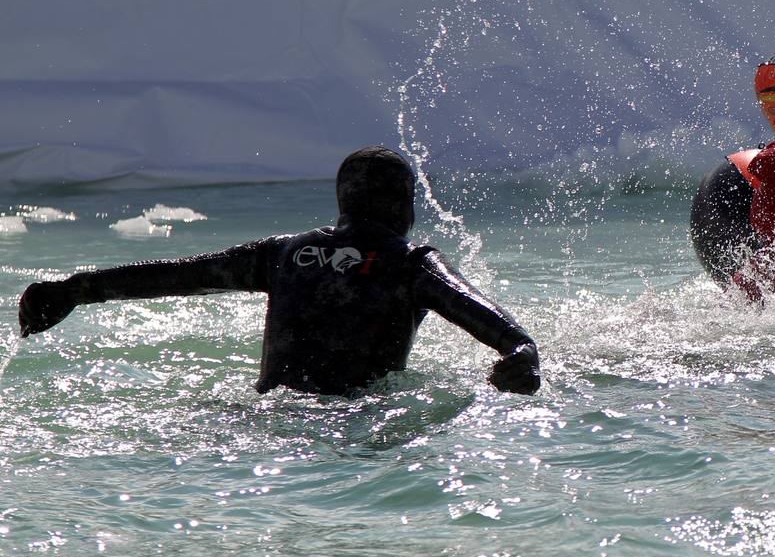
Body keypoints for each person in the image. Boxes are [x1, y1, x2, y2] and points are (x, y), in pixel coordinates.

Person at [18, 146, 541, 396]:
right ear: (404, 205)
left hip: (268, 416)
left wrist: (76, 289)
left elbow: (180, 274)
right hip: (357, 425)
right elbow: (501, 332)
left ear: (343, 202)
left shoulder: (285, 252)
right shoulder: (412, 265)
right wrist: (520, 357)